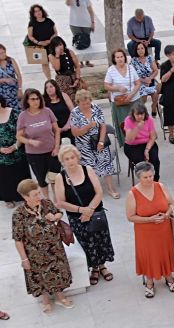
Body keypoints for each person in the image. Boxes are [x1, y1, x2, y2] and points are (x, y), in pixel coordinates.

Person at [55, 144, 115, 287]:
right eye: (67, 159)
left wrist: (90, 210)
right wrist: (82, 210)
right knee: (87, 242)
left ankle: (102, 266)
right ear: (62, 161)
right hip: (77, 217)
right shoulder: (60, 177)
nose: (70, 161)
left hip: (95, 213)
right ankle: (94, 268)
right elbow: (61, 202)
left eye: (72, 157)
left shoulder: (87, 170)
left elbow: (99, 192)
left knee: (101, 239)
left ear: (77, 157)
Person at [12, 178, 73, 313]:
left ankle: (60, 297)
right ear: (25, 197)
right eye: (35, 195)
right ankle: (45, 301)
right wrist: (24, 259)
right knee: (39, 277)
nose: (39, 197)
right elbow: (18, 239)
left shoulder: (46, 203)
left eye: (39, 193)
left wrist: (55, 216)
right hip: (35, 254)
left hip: (55, 249)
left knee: (58, 272)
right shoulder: (19, 214)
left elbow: (59, 212)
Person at [126, 161, 174, 297]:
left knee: (164, 251)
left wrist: (167, 214)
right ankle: (149, 281)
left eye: (151, 176)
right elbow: (130, 217)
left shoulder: (160, 186)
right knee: (149, 255)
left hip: (163, 228)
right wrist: (150, 219)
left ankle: (169, 276)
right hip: (145, 232)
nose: (149, 179)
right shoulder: (133, 194)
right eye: (145, 177)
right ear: (139, 177)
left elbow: (171, 204)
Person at [70, 89, 118, 199]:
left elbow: (103, 126)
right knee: (88, 168)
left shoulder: (96, 108)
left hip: (98, 140)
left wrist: (101, 141)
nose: (86, 106)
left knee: (106, 163)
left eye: (88, 103)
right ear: (78, 103)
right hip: (84, 145)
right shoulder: (75, 113)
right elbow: (75, 133)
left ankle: (111, 188)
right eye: (83, 104)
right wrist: (88, 126)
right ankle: (94, 191)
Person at [16, 89, 61, 199]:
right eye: (32, 99)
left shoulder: (47, 111)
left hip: (51, 151)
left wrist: (57, 147)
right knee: (41, 179)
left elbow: (57, 130)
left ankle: (57, 199)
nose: (36, 101)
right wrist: (30, 141)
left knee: (54, 177)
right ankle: (47, 200)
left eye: (37, 98)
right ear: (27, 101)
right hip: (34, 154)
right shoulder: (23, 116)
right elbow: (19, 136)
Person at [104, 48, 141, 147]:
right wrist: (117, 88)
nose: (120, 59)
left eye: (121, 57)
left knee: (136, 121)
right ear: (114, 59)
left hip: (133, 99)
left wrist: (132, 94)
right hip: (120, 101)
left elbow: (138, 83)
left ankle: (139, 140)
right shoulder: (111, 70)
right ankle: (127, 142)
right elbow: (106, 86)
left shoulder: (131, 68)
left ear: (125, 57)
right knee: (124, 124)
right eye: (117, 57)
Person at [0, 95, 31, 207]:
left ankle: (24, 196)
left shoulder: (13, 113)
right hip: (1, 154)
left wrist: (15, 146)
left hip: (17, 149)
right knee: (4, 176)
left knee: (20, 173)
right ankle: (7, 198)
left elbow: (23, 131)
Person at [123, 102, 160, 181]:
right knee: (142, 164)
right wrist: (137, 128)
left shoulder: (149, 119)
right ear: (133, 114)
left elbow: (153, 136)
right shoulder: (128, 120)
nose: (140, 117)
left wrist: (147, 150)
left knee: (154, 160)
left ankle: (155, 181)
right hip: (132, 146)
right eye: (137, 114)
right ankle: (144, 181)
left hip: (147, 143)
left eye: (142, 114)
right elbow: (129, 139)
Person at [65, 0, 96, 67]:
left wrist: (93, 22)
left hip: (86, 23)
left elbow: (91, 11)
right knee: (78, 41)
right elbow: (67, 3)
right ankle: (80, 62)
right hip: (74, 23)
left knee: (86, 41)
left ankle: (87, 61)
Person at [26, 4, 58, 79]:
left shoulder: (49, 21)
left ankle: (59, 76)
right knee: (45, 63)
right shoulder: (32, 23)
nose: (38, 12)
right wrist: (38, 42)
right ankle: (49, 79)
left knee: (55, 61)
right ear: (33, 14)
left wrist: (50, 40)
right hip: (40, 46)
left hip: (51, 44)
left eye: (39, 10)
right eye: (36, 11)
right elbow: (30, 36)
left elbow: (55, 33)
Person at [47, 36, 81, 103]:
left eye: (60, 44)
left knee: (79, 98)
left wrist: (77, 78)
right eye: (57, 46)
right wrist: (57, 55)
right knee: (68, 100)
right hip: (62, 79)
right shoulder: (51, 56)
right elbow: (57, 68)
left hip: (73, 76)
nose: (60, 47)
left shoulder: (69, 52)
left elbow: (77, 66)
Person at [131, 42, 159, 117]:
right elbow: (133, 76)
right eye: (138, 49)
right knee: (144, 97)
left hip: (151, 80)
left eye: (142, 48)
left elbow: (156, 71)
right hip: (139, 82)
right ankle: (143, 112)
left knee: (156, 93)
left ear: (145, 49)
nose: (140, 50)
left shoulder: (149, 58)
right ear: (136, 50)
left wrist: (150, 78)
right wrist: (144, 80)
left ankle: (153, 107)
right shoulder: (133, 61)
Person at [44, 79, 74, 144]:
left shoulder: (63, 95)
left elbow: (73, 111)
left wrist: (67, 125)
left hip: (68, 127)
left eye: (51, 86)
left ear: (55, 87)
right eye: (47, 88)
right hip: (54, 131)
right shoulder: (44, 101)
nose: (49, 89)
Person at [0, 43, 22, 111]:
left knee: (18, 109)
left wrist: (20, 89)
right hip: (2, 92)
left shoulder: (11, 60)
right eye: (0, 53)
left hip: (13, 90)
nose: (3, 54)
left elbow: (19, 75)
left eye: (4, 52)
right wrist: (4, 80)